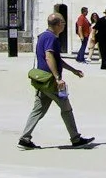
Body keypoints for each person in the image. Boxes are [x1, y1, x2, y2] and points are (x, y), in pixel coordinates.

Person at [19, 10, 96, 150]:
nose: (64, 26)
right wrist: (58, 78)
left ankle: (25, 139)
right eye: (64, 23)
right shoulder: (51, 38)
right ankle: (76, 139)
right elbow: (49, 57)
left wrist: (73, 70)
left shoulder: (42, 36)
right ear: (59, 24)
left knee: (38, 110)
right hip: (51, 82)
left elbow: (57, 60)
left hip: (42, 80)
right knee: (66, 108)